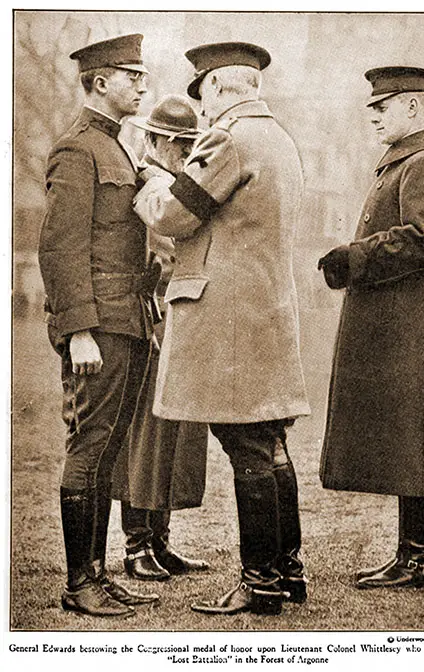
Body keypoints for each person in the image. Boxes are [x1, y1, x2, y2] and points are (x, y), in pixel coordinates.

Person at [133, 42, 311, 615]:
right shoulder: (280, 138)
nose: (201, 110)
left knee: (248, 448)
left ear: (213, 87)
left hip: (229, 319)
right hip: (265, 312)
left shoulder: (228, 138)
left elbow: (173, 215)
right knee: (268, 442)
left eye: (200, 94)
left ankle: (259, 581)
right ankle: (286, 571)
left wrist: (153, 178)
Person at [317, 66, 424, 589]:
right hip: (398, 316)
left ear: (415, 107)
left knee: (413, 433)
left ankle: (419, 556)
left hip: (410, 318)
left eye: (385, 104)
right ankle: (414, 554)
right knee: (407, 433)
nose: (373, 113)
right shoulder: (408, 162)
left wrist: (352, 259)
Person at [38, 34, 159, 617]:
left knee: (108, 452)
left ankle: (97, 574)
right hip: (99, 328)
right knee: (89, 447)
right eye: (132, 75)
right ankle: (77, 583)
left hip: (127, 321)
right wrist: (78, 329)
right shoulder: (77, 150)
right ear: (100, 80)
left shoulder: (119, 149)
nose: (142, 84)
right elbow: (60, 249)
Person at [111, 95, 210, 581]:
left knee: (173, 431)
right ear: (153, 140)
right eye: (174, 143)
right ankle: (136, 545)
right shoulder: (145, 183)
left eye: (188, 143)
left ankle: (161, 541)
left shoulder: (175, 184)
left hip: (179, 317)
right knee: (146, 433)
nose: (182, 152)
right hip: (152, 316)